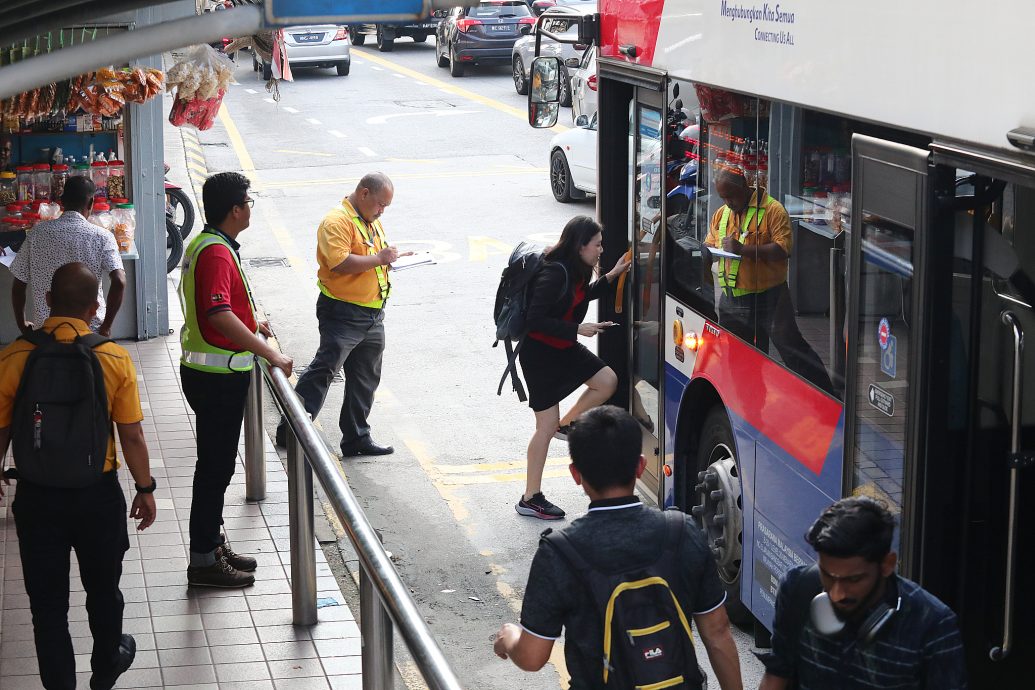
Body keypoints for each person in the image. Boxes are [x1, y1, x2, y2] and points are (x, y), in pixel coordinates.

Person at [494, 406, 743, 689]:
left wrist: (510, 637)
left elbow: (532, 657)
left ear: (576, 474)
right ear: (640, 466)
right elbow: (718, 633)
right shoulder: (681, 532)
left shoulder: (560, 552)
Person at [0, 262, 157, 690]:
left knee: (47, 607)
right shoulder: (112, 358)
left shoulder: (15, 356)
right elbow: (133, 434)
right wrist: (145, 489)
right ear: (93, 308)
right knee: (103, 588)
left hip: (37, 497)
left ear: (47, 301)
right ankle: (107, 662)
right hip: (96, 495)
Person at [180, 172, 292, 588]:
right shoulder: (215, 253)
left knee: (217, 466)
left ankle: (212, 542)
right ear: (234, 210)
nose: (250, 208)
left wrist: (253, 322)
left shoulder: (210, 243)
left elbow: (227, 308)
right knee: (214, 469)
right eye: (247, 202)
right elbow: (218, 314)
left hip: (210, 373)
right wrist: (272, 353)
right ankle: (204, 560)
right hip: (216, 377)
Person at [758, 496, 967, 689]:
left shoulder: (933, 624)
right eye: (828, 575)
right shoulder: (798, 588)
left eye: (854, 579)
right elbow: (777, 674)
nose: (837, 594)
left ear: (887, 565)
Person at [276, 172, 409, 457]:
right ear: (363, 193)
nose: (382, 211)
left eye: (386, 206)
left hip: (372, 313)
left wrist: (390, 259)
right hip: (343, 312)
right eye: (380, 204)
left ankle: (357, 437)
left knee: (365, 377)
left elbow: (374, 256)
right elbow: (340, 263)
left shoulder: (368, 220)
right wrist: (380, 258)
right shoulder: (336, 221)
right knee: (325, 369)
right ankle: (291, 429)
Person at [515, 215, 630, 520]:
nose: (601, 250)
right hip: (540, 354)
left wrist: (613, 275)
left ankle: (565, 424)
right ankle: (530, 497)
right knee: (543, 427)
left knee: (606, 380)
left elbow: (581, 294)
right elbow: (534, 321)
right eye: (597, 245)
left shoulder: (576, 269)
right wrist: (578, 329)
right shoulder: (555, 273)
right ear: (580, 246)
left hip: (562, 347)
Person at [704, 168, 833, 393]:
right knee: (739, 357)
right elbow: (709, 243)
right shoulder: (721, 213)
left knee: (791, 348)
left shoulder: (773, 210)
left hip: (770, 297)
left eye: (731, 196)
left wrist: (744, 250)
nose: (728, 202)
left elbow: (783, 249)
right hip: (733, 299)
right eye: (723, 197)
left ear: (745, 185)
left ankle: (826, 394)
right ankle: (750, 401)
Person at [10, 176, 126, 336]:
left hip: (47, 333)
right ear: (91, 203)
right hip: (89, 333)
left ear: (62, 201)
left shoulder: (36, 233)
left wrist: (22, 325)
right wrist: (105, 327)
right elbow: (119, 281)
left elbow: (18, 284)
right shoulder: (102, 237)